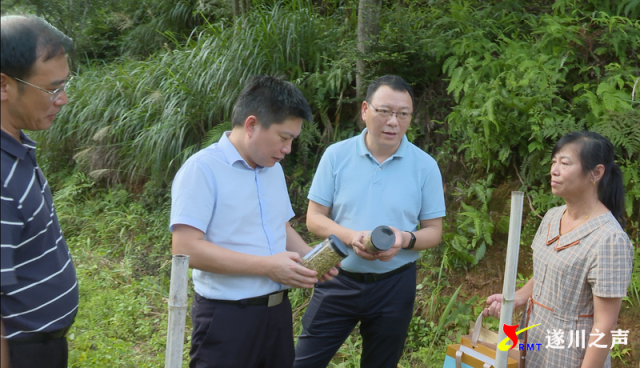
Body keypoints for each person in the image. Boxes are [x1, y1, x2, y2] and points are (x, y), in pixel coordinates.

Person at [170, 75, 338, 368]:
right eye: (283, 138)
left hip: (276, 315)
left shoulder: (271, 168)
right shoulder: (202, 170)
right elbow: (186, 249)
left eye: (292, 140)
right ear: (251, 125)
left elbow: (280, 227)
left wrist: (310, 258)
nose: (287, 148)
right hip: (227, 318)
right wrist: (268, 267)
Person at [294, 75, 446, 368]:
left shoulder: (425, 166)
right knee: (303, 362)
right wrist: (352, 237)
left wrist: (404, 239)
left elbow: (434, 231)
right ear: (365, 110)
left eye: (403, 114)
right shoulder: (336, 155)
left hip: (394, 285)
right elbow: (314, 218)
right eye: (385, 111)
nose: (393, 122)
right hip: (337, 278)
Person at [483, 132, 633, 368]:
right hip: (534, 339)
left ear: (596, 173)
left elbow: (605, 325)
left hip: (571, 354)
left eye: (565, 163)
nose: (554, 169)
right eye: (554, 162)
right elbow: (549, 270)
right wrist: (519, 296)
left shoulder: (610, 240)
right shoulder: (553, 217)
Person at [0, 15, 77, 368]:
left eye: (65, 85)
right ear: (4, 85)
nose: (62, 100)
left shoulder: (16, 147)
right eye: (52, 89)